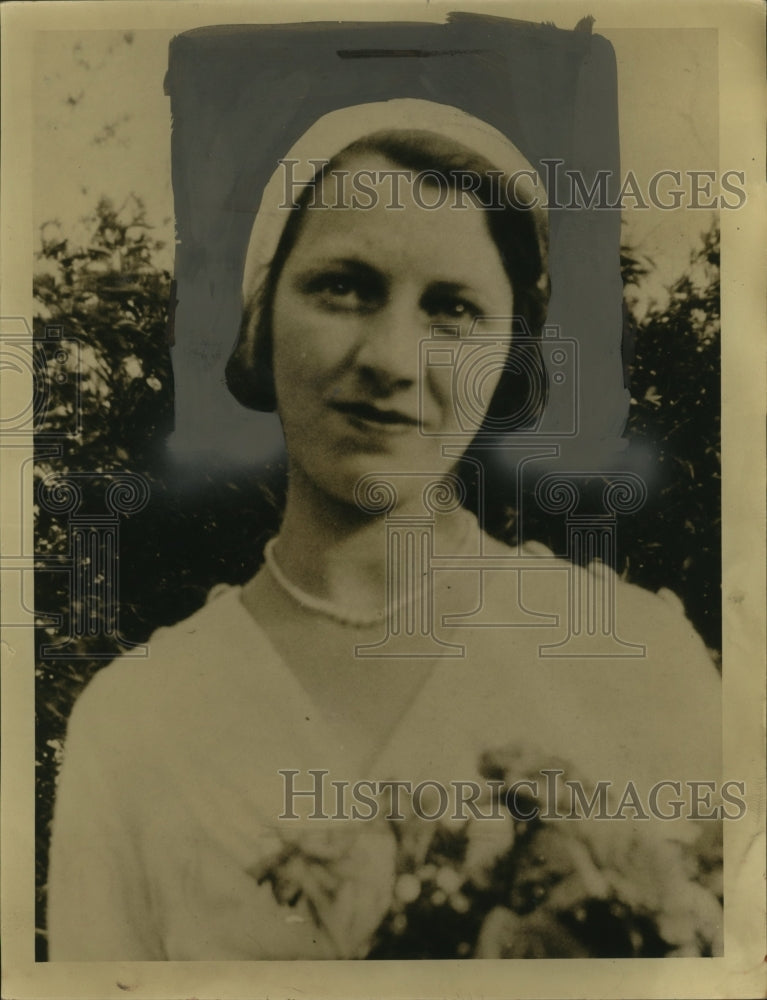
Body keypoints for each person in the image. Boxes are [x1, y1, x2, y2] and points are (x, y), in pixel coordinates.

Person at [47, 100, 723, 961]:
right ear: (262, 314)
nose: (391, 359)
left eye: (453, 311)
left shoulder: (637, 654)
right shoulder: (137, 722)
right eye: (343, 286)